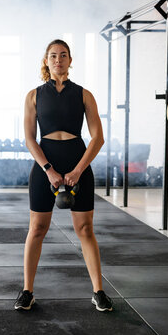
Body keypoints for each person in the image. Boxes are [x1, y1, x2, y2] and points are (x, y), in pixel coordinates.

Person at [14, 39, 113, 312]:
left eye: (63, 55)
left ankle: (98, 292)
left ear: (70, 61)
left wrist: (78, 170)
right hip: (46, 165)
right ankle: (27, 291)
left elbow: (98, 138)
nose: (58, 60)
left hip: (76, 160)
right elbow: (29, 140)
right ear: (46, 61)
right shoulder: (33, 95)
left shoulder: (84, 95)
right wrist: (49, 170)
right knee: (37, 229)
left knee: (85, 230)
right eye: (53, 56)